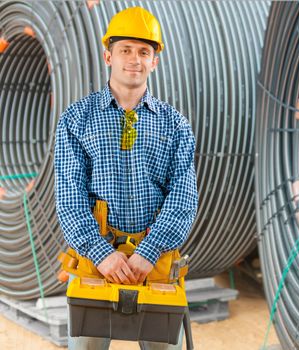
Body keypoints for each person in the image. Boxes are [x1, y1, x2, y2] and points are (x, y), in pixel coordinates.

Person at [53, 6, 198, 350]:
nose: (135, 59)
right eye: (126, 50)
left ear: (155, 61)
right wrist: (101, 253)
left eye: (144, 52)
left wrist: (148, 252)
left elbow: (183, 196)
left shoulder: (175, 125)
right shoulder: (77, 119)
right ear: (108, 55)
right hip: (94, 261)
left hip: (156, 261)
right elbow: (70, 196)